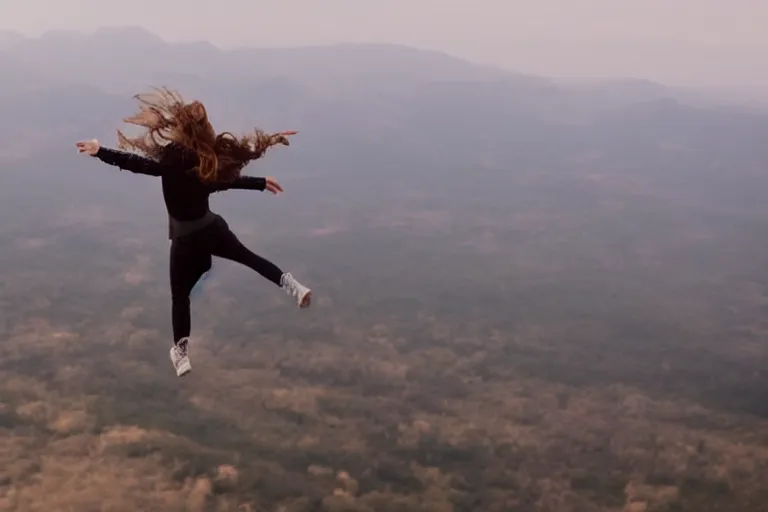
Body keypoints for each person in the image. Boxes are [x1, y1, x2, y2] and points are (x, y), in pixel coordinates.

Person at [75, 88, 312, 378]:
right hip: (211, 229)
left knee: (180, 297)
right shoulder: (206, 162)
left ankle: (181, 351)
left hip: (186, 240)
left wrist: (101, 152)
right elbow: (228, 181)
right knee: (248, 258)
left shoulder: (171, 158)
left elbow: (138, 164)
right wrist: (261, 180)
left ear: (180, 126)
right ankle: (291, 284)